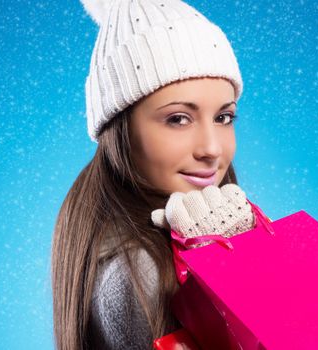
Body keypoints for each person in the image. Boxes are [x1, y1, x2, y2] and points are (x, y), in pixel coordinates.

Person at [51, 0, 256, 348]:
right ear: (121, 131)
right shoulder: (139, 270)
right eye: (178, 118)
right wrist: (223, 264)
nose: (212, 148)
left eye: (223, 117)